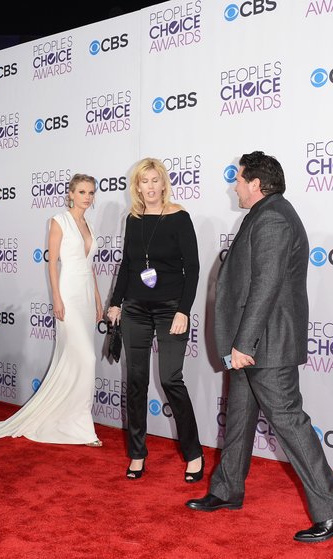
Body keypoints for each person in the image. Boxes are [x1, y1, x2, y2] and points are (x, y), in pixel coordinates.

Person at [186, 151, 333, 543]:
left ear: (256, 184)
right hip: (256, 342)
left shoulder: (274, 218)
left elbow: (266, 285)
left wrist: (244, 342)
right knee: (240, 415)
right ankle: (226, 489)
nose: (234, 185)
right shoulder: (265, 214)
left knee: (289, 422)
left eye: (239, 179)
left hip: (266, 343)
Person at [0, 173, 103, 446]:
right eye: (82, 192)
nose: (87, 197)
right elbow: (52, 263)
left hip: (87, 296)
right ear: (70, 193)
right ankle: (81, 426)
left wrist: (99, 299)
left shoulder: (89, 223)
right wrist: (56, 297)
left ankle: (71, 419)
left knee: (77, 362)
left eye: (91, 192)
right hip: (68, 293)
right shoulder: (59, 221)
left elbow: (89, 267)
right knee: (87, 359)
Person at [106, 158, 203, 482]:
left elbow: (193, 269)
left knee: (171, 379)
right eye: (142, 181)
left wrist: (183, 311)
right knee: (135, 382)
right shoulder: (133, 219)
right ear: (137, 187)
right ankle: (137, 454)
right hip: (135, 308)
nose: (148, 187)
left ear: (163, 184)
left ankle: (193, 453)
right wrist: (116, 303)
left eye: (153, 180)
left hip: (170, 308)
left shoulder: (179, 217)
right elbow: (128, 265)